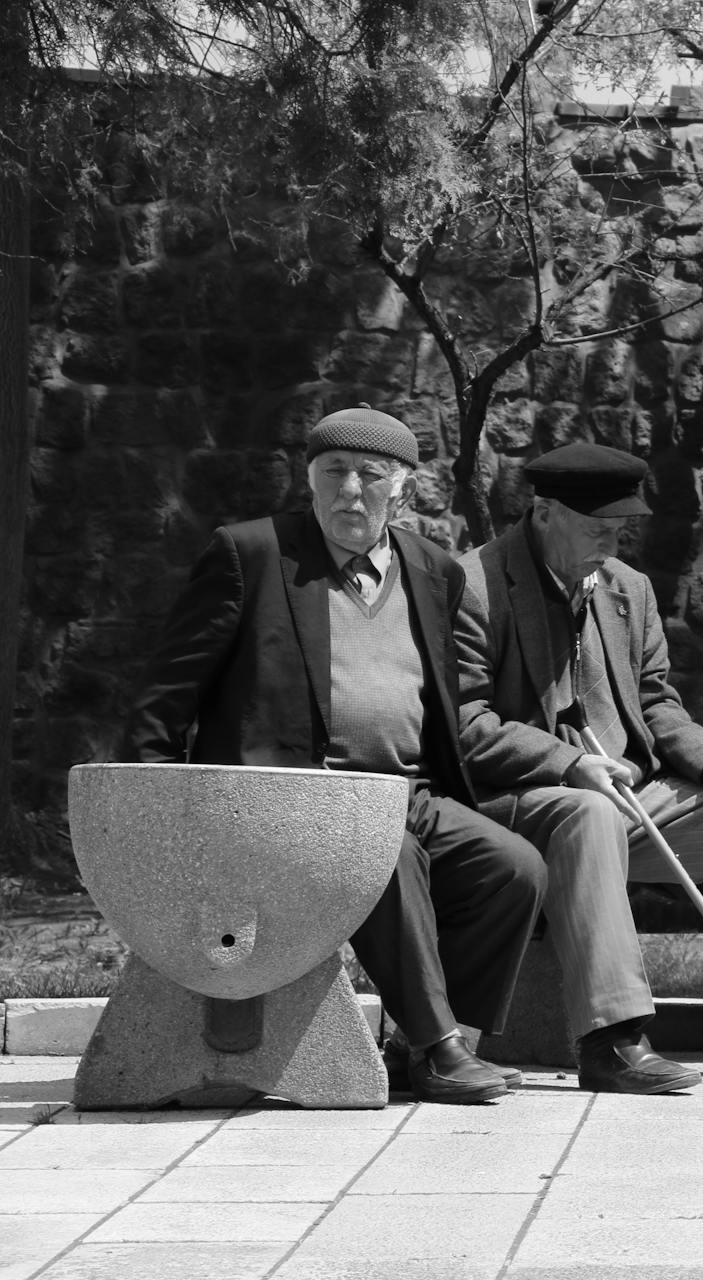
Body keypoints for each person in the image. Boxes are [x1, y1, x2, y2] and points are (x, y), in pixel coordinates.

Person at [124, 404, 547, 1105]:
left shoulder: (434, 570)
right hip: (297, 800)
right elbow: (167, 691)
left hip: (411, 791)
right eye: (334, 473)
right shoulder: (253, 553)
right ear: (309, 478)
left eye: (370, 476)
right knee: (389, 856)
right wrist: (154, 807)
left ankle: (437, 1041)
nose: (351, 490)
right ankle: (439, 1050)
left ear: (405, 489)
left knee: (515, 869)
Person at [456, 441, 703, 1094]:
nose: (610, 544)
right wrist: (572, 763)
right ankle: (612, 1041)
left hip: (625, 804)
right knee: (587, 810)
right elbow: (466, 726)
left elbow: (659, 704)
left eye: (619, 530)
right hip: (520, 808)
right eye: (596, 529)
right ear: (544, 512)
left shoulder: (627, 589)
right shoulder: (473, 585)